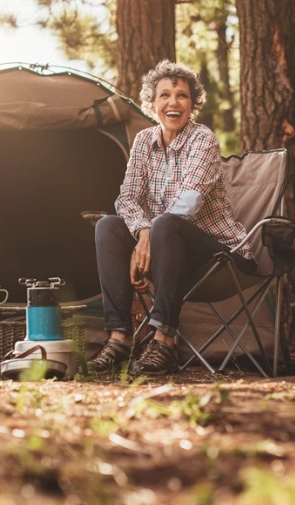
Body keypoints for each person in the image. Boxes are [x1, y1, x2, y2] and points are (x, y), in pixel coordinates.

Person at [88, 60, 256, 377]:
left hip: (217, 256)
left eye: (182, 95)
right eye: (164, 95)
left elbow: (188, 203)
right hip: (165, 250)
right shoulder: (143, 141)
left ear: (192, 104)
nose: (173, 102)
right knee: (108, 226)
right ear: (152, 104)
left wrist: (146, 241)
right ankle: (120, 338)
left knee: (165, 223)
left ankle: (164, 342)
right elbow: (127, 197)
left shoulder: (203, 139)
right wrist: (143, 235)